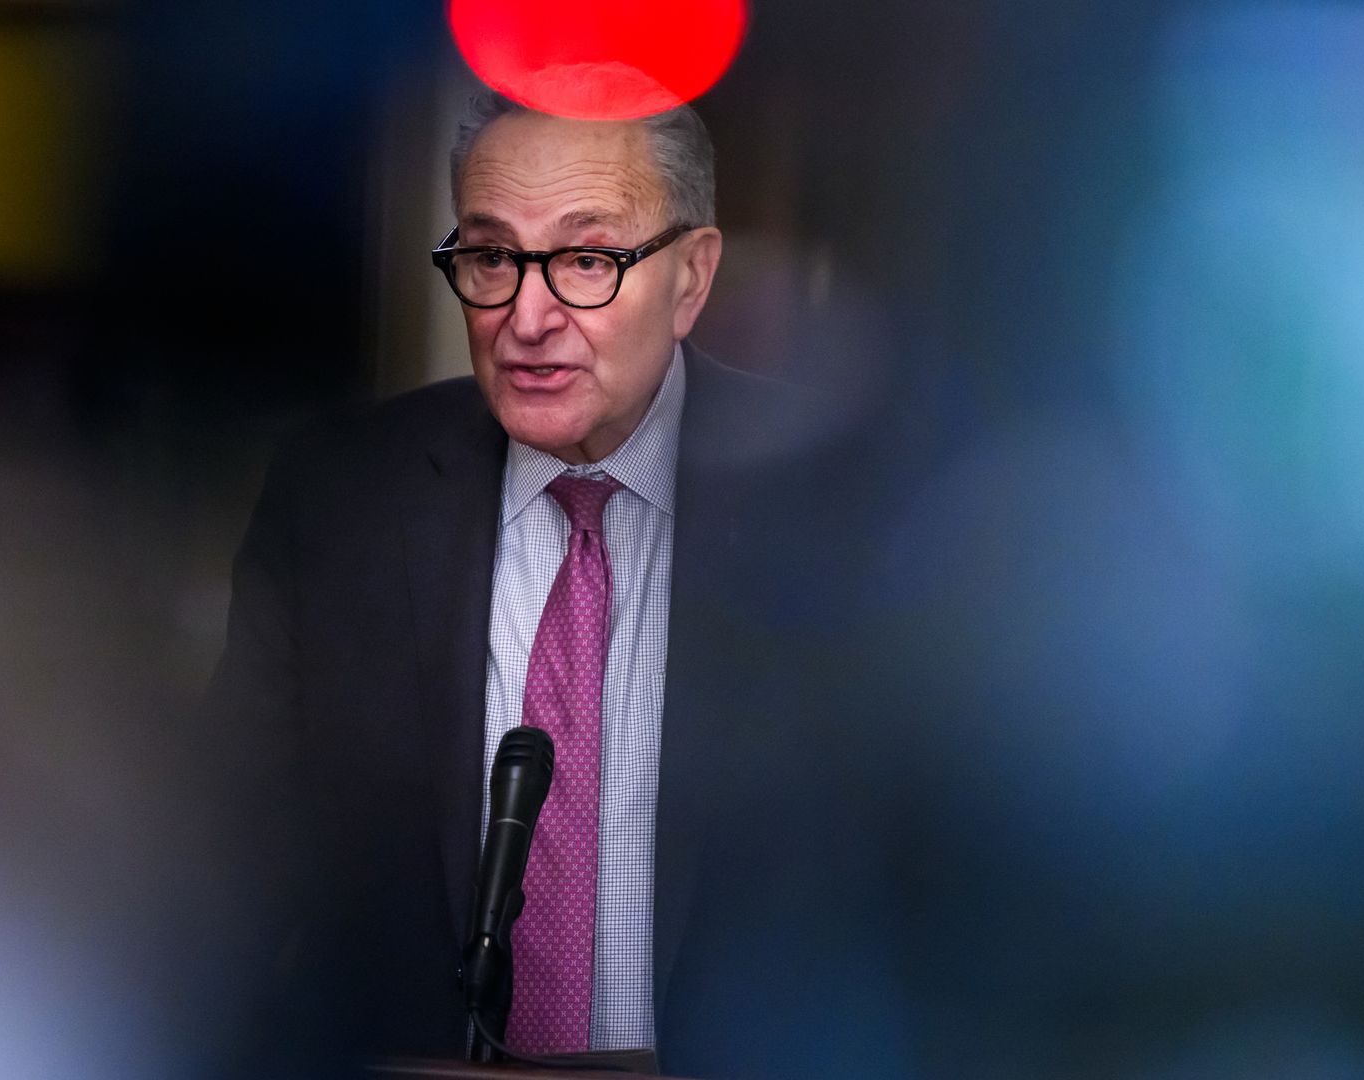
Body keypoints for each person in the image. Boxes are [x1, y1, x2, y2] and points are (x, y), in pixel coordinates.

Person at [202, 90, 907, 1079]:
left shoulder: (831, 505)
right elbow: (221, 879)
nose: (527, 317)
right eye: (492, 258)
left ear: (692, 278)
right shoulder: (339, 497)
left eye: (587, 260)